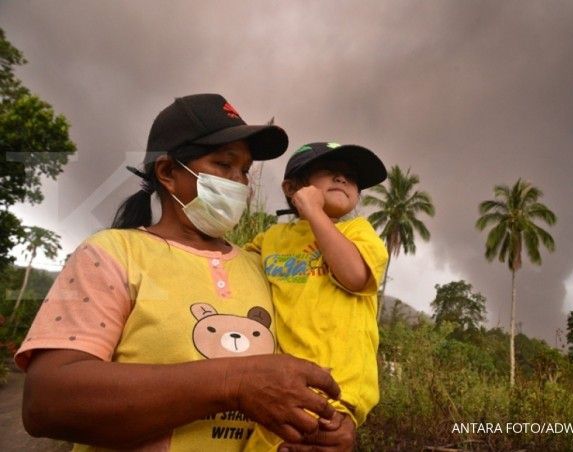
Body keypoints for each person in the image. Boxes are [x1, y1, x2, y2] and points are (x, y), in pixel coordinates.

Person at [15, 94, 356, 451]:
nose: (239, 182)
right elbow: (46, 403)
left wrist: (332, 429)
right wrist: (233, 384)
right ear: (167, 173)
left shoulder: (263, 268)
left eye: (243, 171)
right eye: (224, 165)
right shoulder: (112, 253)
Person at [244, 142, 389, 451]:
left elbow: (353, 275)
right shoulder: (271, 239)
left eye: (350, 178)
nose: (342, 179)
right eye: (329, 172)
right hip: (281, 387)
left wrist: (312, 211)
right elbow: (236, 271)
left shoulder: (360, 233)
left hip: (337, 394)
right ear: (292, 187)